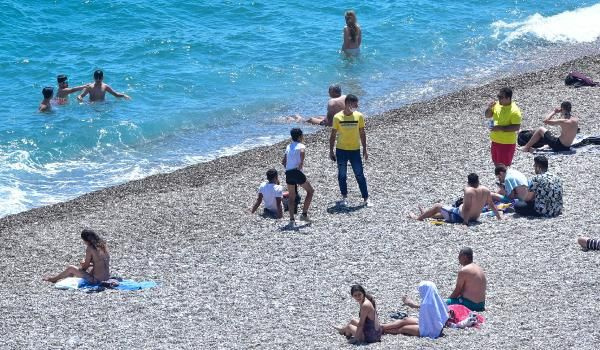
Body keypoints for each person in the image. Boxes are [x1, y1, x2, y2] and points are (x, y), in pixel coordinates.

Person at [409, 173, 501, 225]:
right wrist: (499, 218)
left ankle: (418, 218)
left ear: (468, 182)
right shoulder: (486, 190)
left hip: (458, 217)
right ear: (478, 181)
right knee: (445, 211)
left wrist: (465, 223)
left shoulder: (469, 190)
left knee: (438, 206)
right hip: (475, 218)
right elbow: (491, 205)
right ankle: (426, 213)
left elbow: (467, 207)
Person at [329, 94, 370, 207]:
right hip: (341, 150)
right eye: (354, 104)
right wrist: (331, 151)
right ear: (347, 104)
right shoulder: (337, 117)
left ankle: (366, 198)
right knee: (342, 175)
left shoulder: (359, 116)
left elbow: (362, 133)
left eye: (357, 104)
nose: (357, 106)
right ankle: (344, 197)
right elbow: (333, 135)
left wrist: (365, 149)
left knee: (359, 174)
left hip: (355, 150)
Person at [381, 281, 448, 339]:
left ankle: (384, 330)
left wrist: (411, 304)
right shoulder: (437, 301)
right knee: (405, 320)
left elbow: (426, 311)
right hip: (428, 324)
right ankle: (383, 326)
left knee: (403, 328)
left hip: (429, 330)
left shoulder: (427, 303)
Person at [43, 229, 110, 284]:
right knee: (89, 268)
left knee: (71, 268)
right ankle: (69, 276)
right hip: (106, 278)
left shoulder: (90, 248)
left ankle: (53, 279)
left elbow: (85, 267)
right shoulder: (104, 245)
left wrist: (82, 265)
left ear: (86, 240)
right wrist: (90, 264)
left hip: (97, 280)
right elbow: (99, 262)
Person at [282, 128, 314, 224]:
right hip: (296, 172)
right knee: (310, 191)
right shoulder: (301, 145)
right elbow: (302, 151)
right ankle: (304, 214)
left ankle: (291, 219)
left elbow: (283, 161)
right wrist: (301, 162)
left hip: (288, 173)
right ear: (300, 136)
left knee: (292, 197)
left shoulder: (288, 146)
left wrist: (288, 165)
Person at [485, 87, 522, 166]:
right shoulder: (497, 104)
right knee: (496, 164)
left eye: (501, 97)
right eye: (498, 96)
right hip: (495, 140)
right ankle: (500, 178)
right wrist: (489, 108)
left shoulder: (515, 111)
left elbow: (516, 127)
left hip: (506, 143)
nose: (499, 99)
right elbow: (487, 116)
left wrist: (500, 128)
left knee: (504, 167)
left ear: (508, 98)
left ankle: (505, 178)